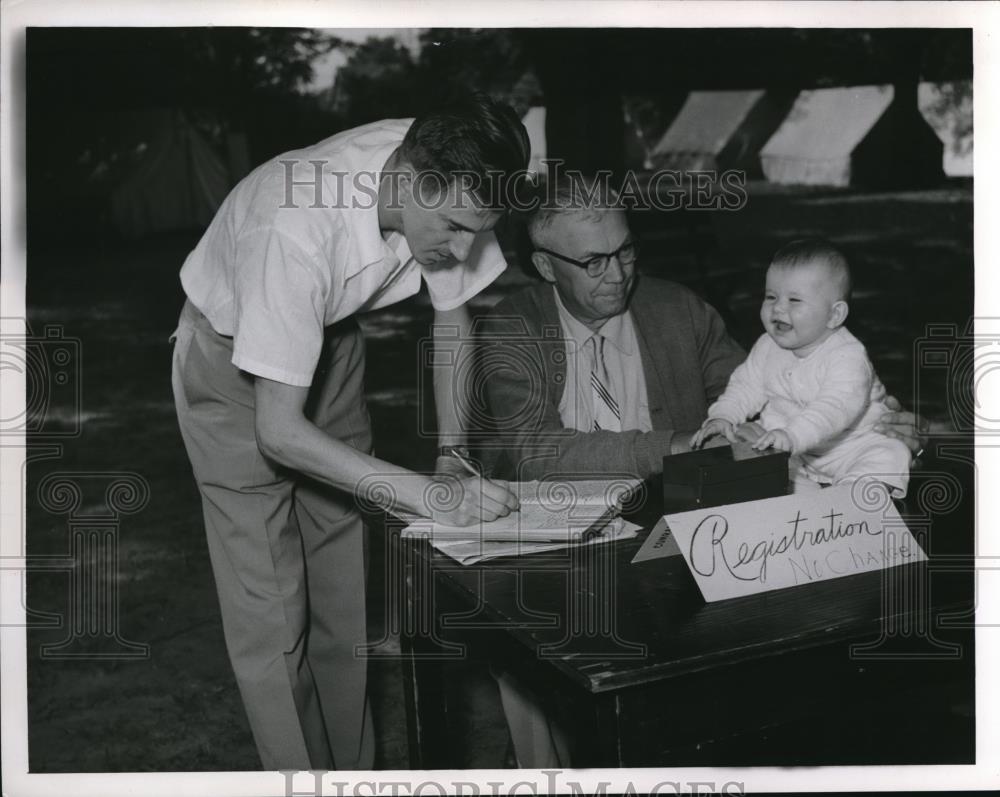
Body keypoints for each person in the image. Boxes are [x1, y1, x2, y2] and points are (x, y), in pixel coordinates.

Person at [480, 175, 925, 767]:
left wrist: (870, 425)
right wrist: (679, 442)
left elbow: (766, 396)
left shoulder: (678, 309)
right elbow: (530, 452)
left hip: (683, 547)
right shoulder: (510, 328)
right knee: (558, 703)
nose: (618, 274)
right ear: (543, 264)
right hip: (560, 561)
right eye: (592, 261)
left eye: (627, 249)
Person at [170, 94, 527, 771]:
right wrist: (426, 496)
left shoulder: (449, 161)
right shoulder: (293, 227)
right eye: (452, 227)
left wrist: (450, 458)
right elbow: (278, 431)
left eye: (476, 231)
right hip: (228, 363)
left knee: (341, 593)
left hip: (330, 339)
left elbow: (453, 316)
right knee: (273, 613)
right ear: (408, 178)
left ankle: (354, 774)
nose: (460, 250)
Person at [692, 239, 911, 497]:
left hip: (852, 446)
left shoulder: (848, 355)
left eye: (794, 300)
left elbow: (833, 408)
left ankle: (854, 498)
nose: (778, 308)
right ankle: (802, 498)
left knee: (889, 454)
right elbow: (744, 387)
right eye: (771, 296)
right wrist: (724, 416)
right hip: (795, 453)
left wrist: (792, 436)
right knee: (746, 446)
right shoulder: (766, 346)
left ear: (834, 315)